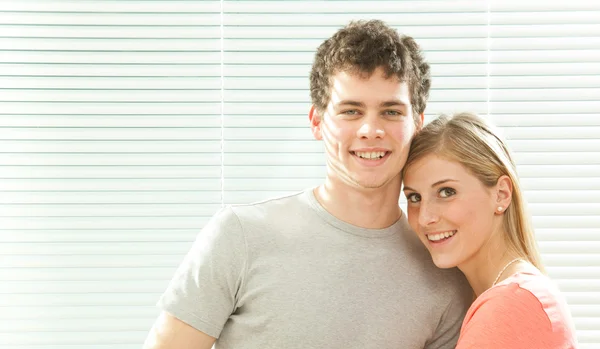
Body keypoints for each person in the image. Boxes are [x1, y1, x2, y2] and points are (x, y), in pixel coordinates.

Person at [143, 20, 472, 349]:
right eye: (351, 111)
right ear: (317, 122)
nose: (371, 130)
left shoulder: (442, 272)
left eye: (390, 111)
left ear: (417, 123)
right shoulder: (240, 236)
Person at [401, 112, 578, 349]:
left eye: (446, 192)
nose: (425, 218)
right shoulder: (513, 297)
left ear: (501, 194)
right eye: (414, 197)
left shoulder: (511, 306)